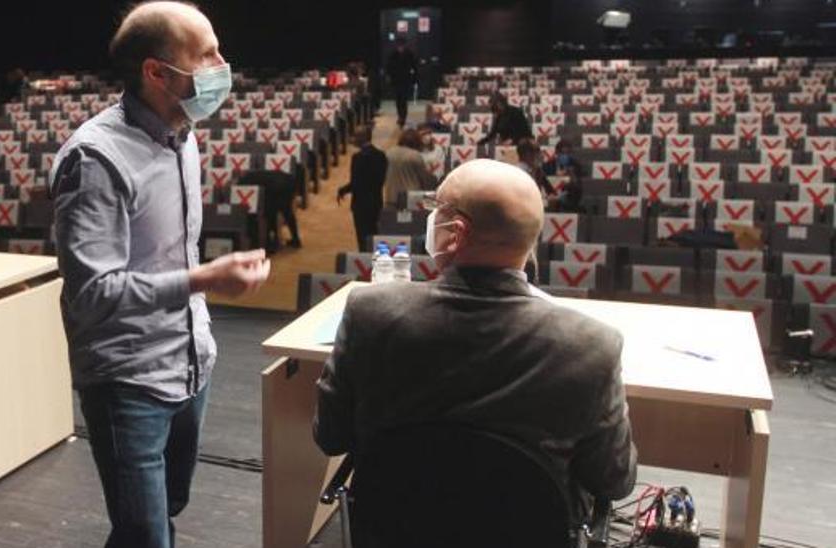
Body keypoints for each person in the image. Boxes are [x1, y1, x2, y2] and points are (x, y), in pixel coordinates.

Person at [48, 3, 270, 546]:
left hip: (192, 360)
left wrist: (198, 300)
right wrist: (204, 280)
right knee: (147, 533)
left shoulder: (184, 135)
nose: (223, 64)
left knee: (163, 511)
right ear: (156, 72)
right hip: (129, 377)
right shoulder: (97, 159)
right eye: (206, 54)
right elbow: (95, 293)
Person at [314, 158, 636, 527]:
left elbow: (330, 436)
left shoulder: (369, 313)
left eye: (437, 208)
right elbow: (614, 479)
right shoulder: (593, 345)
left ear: (455, 231)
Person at [337, 127, 387, 253]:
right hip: (376, 202)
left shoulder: (357, 157)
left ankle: (365, 261)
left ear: (362, 138)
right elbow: (381, 180)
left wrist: (343, 190)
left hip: (360, 204)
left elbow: (356, 183)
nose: (353, 139)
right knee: (374, 235)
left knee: (362, 238)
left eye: (356, 136)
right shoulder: (381, 155)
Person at [382, 128, 436, 208]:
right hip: (411, 199)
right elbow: (424, 178)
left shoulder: (389, 153)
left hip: (391, 197)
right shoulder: (415, 155)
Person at [384, 38, 418, 128]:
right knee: (398, 100)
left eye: (402, 45)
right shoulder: (393, 54)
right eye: (399, 45)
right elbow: (388, 66)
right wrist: (388, 77)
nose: (400, 47)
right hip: (396, 80)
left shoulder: (409, 54)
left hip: (406, 80)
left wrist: (414, 79)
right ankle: (400, 116)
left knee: (404, 100)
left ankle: (403, 117)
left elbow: (414, 67)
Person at [543, 139, 584, 212]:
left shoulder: (576, 165)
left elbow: (579, 186)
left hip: (568, 199)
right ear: (556, 153)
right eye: (562, 153)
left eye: (567, 153)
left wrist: (571, 175)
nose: (564, 156)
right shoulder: (547, 165)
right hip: (549, 195)